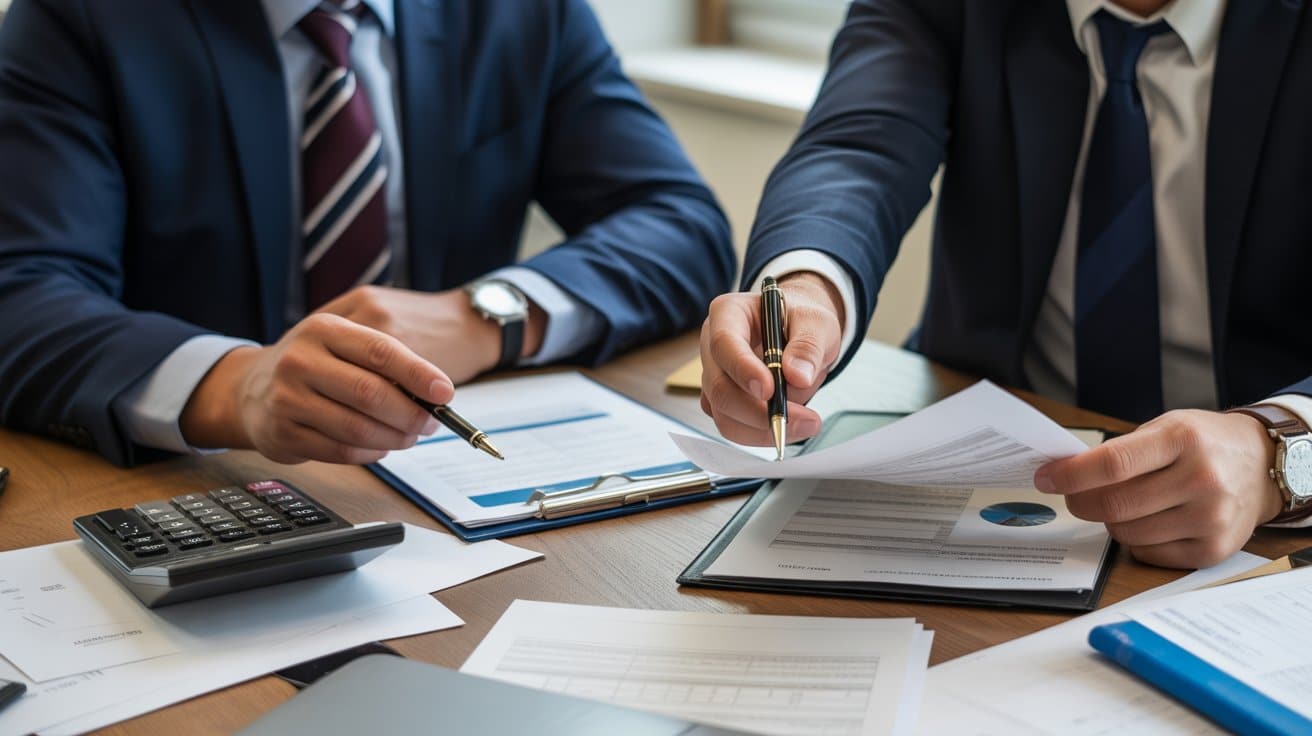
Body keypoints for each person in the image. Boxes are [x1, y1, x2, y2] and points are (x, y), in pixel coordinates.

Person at [698, 0, 1312, 568]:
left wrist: (1278, 453)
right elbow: (857, 147)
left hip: (1260, 537)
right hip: (993, 472)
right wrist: (806, 288)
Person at [0, 0, 732, 467]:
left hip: (440, 489)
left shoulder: (522, 13)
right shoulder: (81, 18)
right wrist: (239, 386)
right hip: (195, 490)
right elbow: (22, 294)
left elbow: (680, 222)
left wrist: (483, 316)